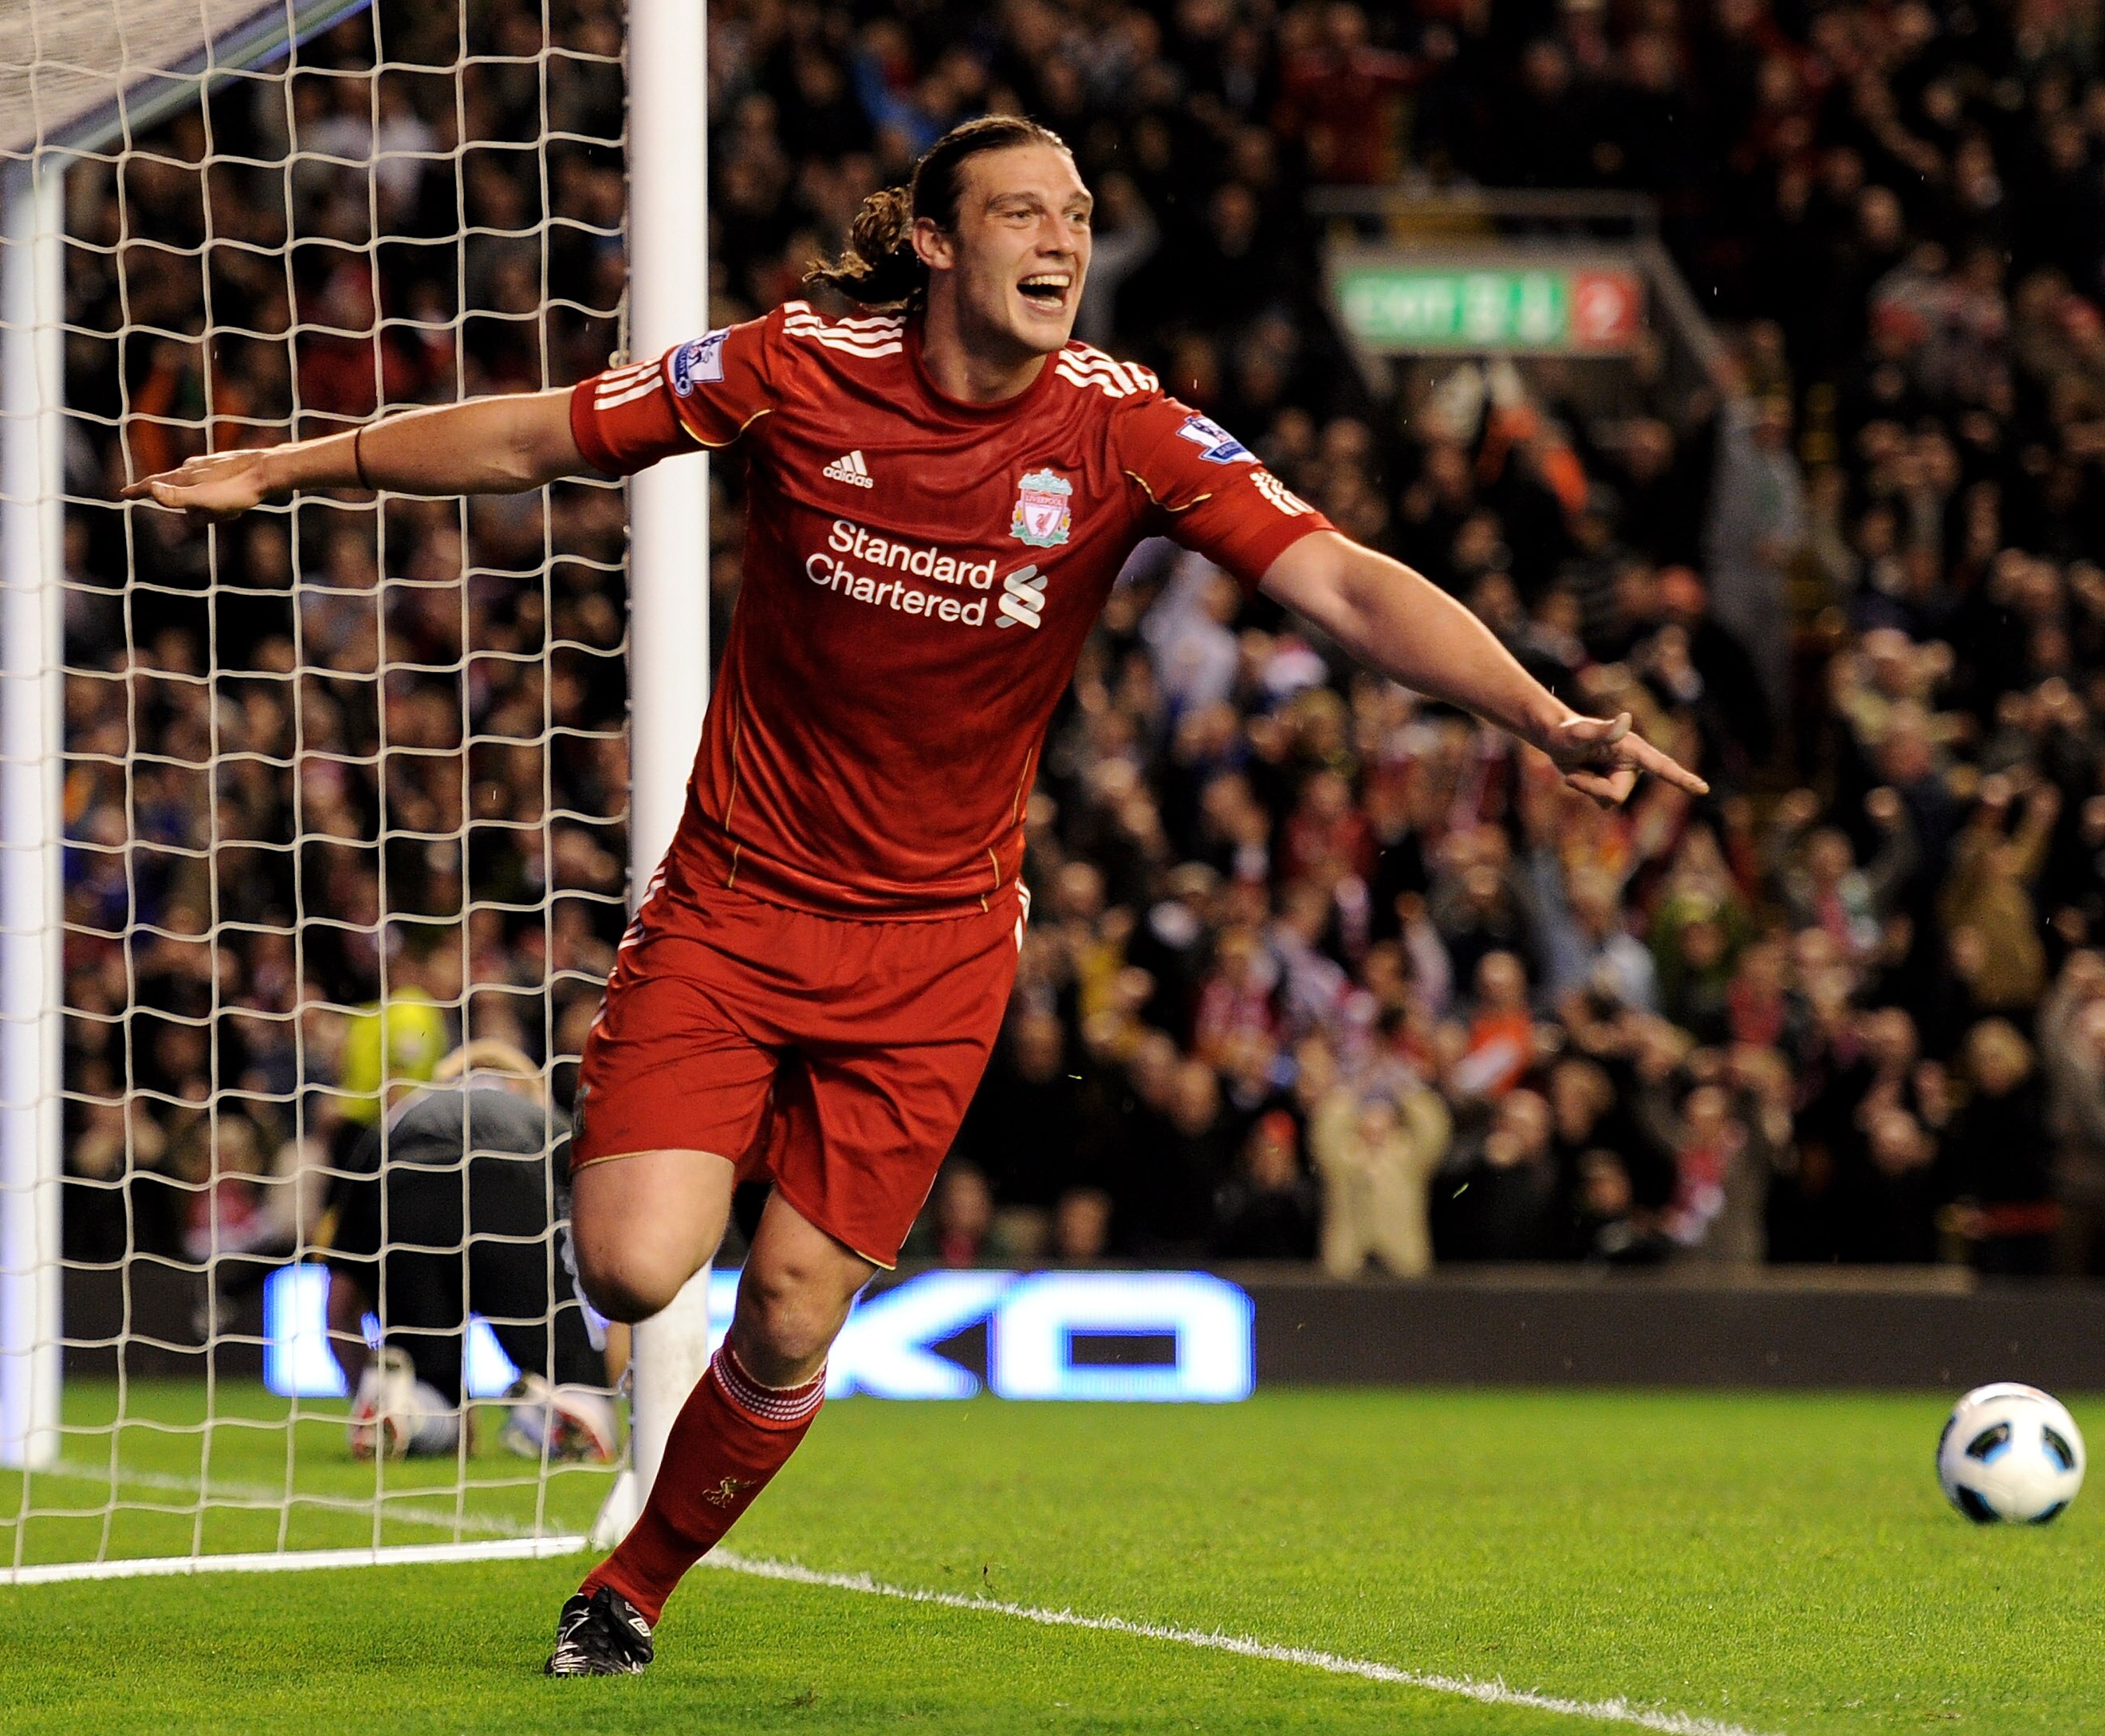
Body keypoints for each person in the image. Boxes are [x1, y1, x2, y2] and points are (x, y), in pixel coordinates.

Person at [128, 114, 1705, 1676]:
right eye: (1023, 211)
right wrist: (292, 462)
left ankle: (632, 1584)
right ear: (940, 242)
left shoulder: (1123, 428)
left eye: (1079, 213)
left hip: (936, 942)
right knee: (627, 1263)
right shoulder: (795, 367)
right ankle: (485, 1291)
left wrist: (1543, 712)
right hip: (739, 901)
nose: (1063, 239)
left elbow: (1344, 578)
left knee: (798, 1311)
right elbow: (545, 429)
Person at [321, 1041, 615, 1465]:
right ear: (525, 1087)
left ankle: (402, 1408)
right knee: (579, 1393)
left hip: (406, 1190)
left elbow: (339, 1305)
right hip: (512, 1189)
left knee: (432, 1393)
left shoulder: (391, 1127)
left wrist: (361, 1386)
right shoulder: (549, 1124)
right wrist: (598, 1380)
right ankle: (558, 1408)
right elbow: (612, 1277)